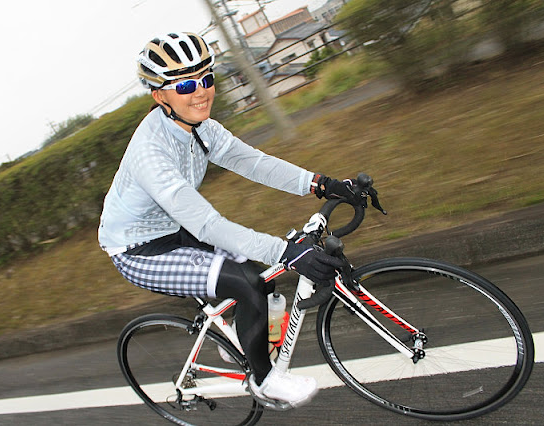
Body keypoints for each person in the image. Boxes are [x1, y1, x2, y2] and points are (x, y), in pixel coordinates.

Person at [98, 32, 358, 409]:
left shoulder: (200, 128)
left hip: (173, 228)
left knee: (260, 280)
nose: (201, 92)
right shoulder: (150, 153)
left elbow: (252, 162)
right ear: (159, 96)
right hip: (136, 250)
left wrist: (320, 184)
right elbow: (207, 224)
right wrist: (285, 251)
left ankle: (239, 339)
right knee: (248, 282)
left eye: (206, 79)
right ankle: (266, 380)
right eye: (186, 84)